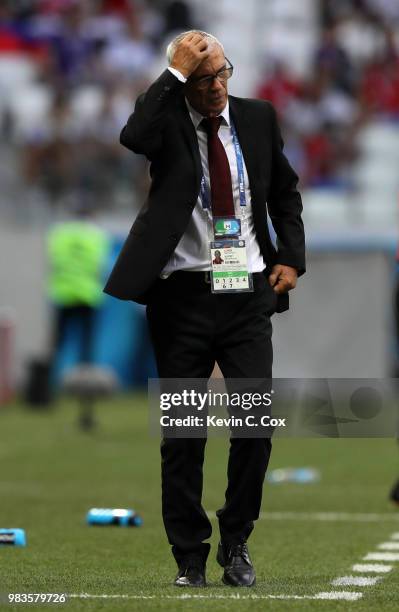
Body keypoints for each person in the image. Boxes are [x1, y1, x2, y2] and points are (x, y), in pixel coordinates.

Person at [104, 30, 305, 587]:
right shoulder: (165, 124)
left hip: (246, 294)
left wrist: (291, 257)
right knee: (184, 434)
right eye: (202, 78)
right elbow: (132, 134)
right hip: (181, 296)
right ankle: (188, 556)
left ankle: (237, 542)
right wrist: (172, 74)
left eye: (222, 74)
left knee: (254, 429)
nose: (216, 87)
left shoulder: (259, 117)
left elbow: (285, 193)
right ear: (183, 83)